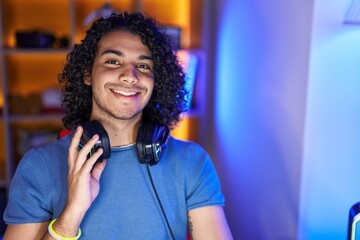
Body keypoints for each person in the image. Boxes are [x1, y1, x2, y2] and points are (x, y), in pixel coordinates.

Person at [3, 12, 232, 240]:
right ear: (87, 74)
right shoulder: (40, 166)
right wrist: (71, 215)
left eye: (143, 66)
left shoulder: (192, 161)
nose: (130, 76)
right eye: (113, 61)